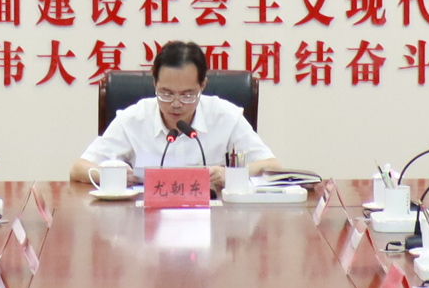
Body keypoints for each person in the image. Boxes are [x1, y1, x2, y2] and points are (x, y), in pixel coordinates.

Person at [68, 41, 280, 187]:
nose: (176, 104)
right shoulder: (133, 119)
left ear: (203, 85)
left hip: (212, 221)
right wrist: (112, 176)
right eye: (166, 93)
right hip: (145, 223)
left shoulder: (225, 116)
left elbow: (271, 166)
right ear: (155, 83)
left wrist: (230, 175)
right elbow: (79, 169)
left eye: (187, 95)